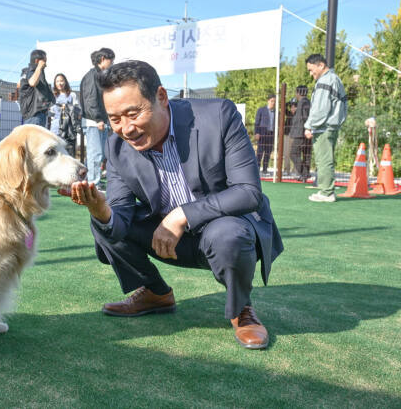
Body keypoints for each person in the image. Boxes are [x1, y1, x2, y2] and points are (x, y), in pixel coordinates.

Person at [62, 60, 283, 350]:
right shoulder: (116, 147)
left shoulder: (218, 115)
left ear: (162, 97)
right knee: (102, 223)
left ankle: (241, 309)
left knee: (228, 234)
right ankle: (156, 293)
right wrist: (101, 211)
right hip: (166, 238)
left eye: (133, 113)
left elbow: (248, 193)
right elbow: (120, 216)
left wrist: (182, 216)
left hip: (223, 227)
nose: (126, 128)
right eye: (115, 119)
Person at [304, 54, 347, 202]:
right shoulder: (335, 79)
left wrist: (309, 126)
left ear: (321, 65)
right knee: (326, 159)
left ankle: (327, 192)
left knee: (323, 160)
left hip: (324, 127)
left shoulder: (325, 81)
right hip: (332, 126)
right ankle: (326, 190)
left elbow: (320, 109)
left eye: (311, 69)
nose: (311, 74)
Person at [80, 48, 115, 191]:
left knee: (97, 154)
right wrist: (98, 119)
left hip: (97, 121)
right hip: (93, 121)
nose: (112, 63)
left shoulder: (97, 75)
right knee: (96, 154)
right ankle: (94, 183)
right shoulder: (92, 76)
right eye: (111, 60)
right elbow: (90, 100)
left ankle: (90, 180)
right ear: (102, 59)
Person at [18, 49, 55, 126]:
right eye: (44, 61)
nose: (46, 64)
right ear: (37, 61)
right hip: (34, 115)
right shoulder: (31, 71)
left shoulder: (31, 72)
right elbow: (32, 82)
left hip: (36, 114)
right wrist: (39, 67)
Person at [50, 73, 80, 155]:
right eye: (57, 81)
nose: (60, 83)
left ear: (65, 82)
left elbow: (77, 110)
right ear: (55, 83)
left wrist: (67, 107)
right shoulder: (53, 96)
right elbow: (51, 112)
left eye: (61, 81)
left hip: (69, 128)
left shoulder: (72, 95)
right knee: (56, 152)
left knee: (68, 152)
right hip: (56, 128)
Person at [289, 86, 312, 182]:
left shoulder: (304, 102)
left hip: (301, 133)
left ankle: (304, 173)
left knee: (293, 153)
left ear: (298, 93)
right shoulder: (306, 102)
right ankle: (305, 175)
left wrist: (307, 129)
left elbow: (305, 117)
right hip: (304, 132)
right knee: (306, 154)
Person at [254, 94, 276, 174]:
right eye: (272, 101)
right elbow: (256, 122)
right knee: (260, 152)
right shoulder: (261, 110)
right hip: (262, 134)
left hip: (271, 135)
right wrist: (256, 133)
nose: (273, 103)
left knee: (268, 153)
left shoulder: (276, 112)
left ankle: (265, 169)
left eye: (274, 101)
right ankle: (256, 169)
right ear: (268, 101)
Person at [282, 98, 296, 175]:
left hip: (295, 136)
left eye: (295, 107)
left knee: (294, 153)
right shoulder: (288, 114)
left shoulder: (299, 114)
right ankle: (286, 170)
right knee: (286, 153)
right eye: (291, 107)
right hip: (287, 135)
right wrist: (290, 102)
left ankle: (295, 170)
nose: (293, 108)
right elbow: (283, 107)